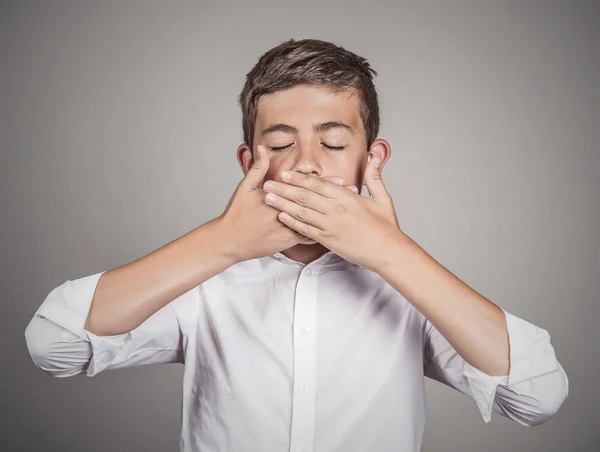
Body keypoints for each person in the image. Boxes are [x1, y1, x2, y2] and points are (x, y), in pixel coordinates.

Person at [24, 38, 568, 452]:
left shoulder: (408, 290)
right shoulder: (206, 283)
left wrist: (389, 251)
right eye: (281, 142)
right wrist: (222, 242)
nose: (307, 161)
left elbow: (537, 397)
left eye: (333, 141)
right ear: (249, 163)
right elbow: (55, 346)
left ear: (371, 159)